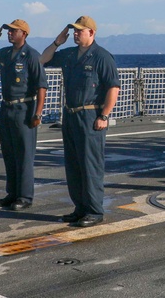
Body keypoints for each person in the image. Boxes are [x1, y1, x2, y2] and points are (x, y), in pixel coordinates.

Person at [41, 15, 121, 228]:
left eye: (79, 31)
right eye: (74, 31)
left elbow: (113, 88)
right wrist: (58, 42)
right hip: (71, 114)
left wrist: (104, 115)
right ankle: (80, 208)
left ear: (91, 33)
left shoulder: (102, 57)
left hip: (90, 115)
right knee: (74, 164)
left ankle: (94, 211)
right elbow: (43, 59)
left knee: (90, 164)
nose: (75, 34)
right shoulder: (69, 55)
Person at [0, 19, 47, 211]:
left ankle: (25, 196)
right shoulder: (5, 53)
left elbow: (41, 86)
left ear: (24, 34)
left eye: (14, 31)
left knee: (24, 154)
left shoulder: (31, 55)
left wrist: (38, 113)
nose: (9, 33)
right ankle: (12, 193)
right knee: (9, 153)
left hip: (24, 109)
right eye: (9, 31)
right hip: (6, 108)